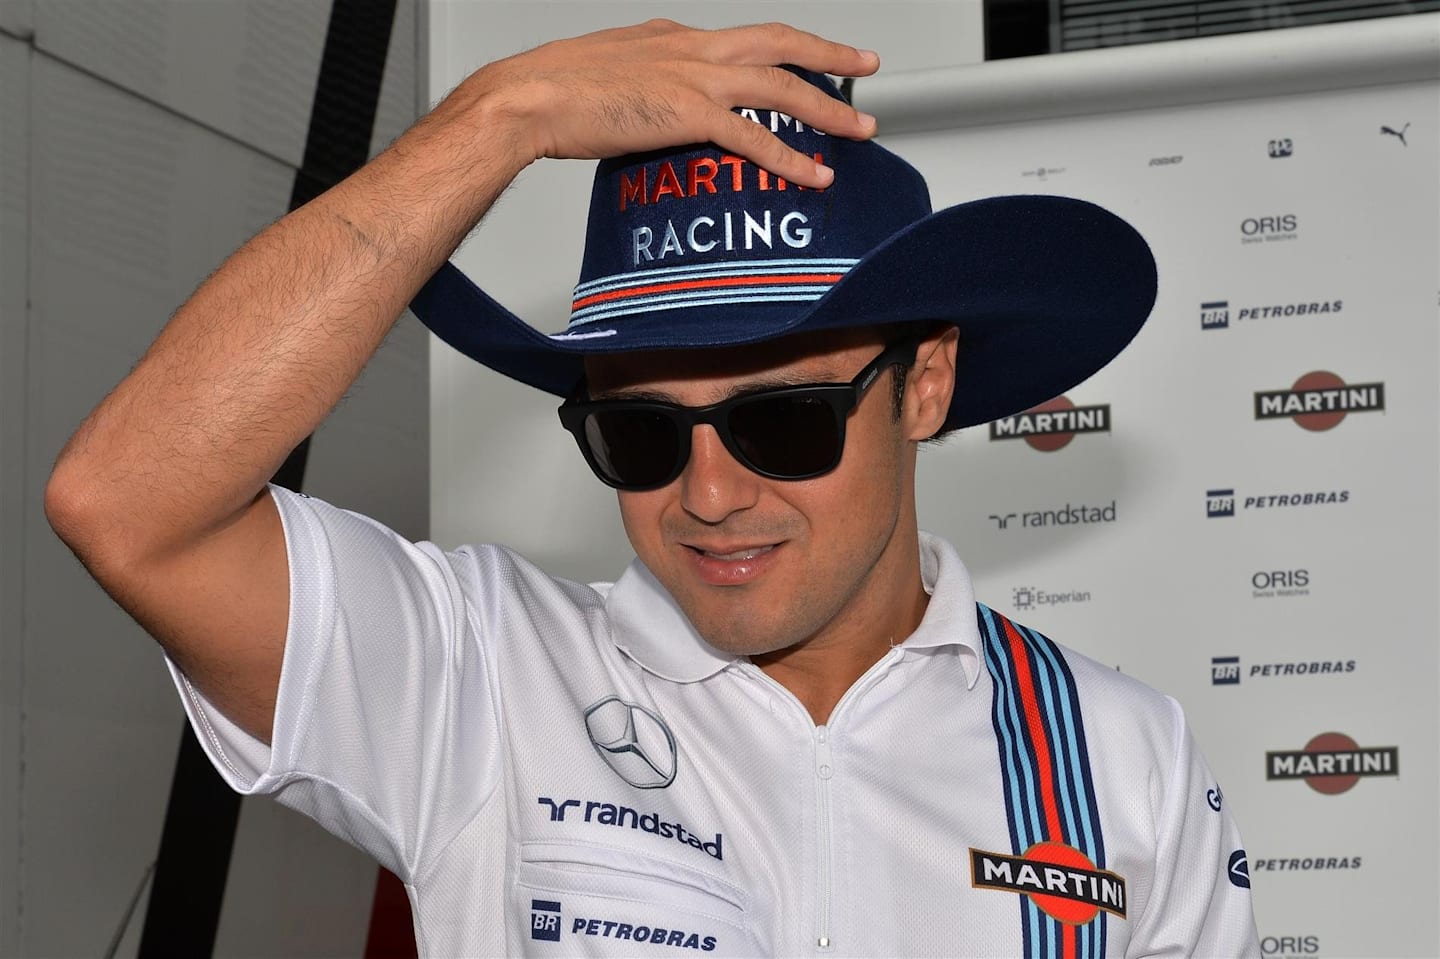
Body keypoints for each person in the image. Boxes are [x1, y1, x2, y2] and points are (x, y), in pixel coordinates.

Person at [46, 20, 1259, 958]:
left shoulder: (1119, 756)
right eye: (639, 434)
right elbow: (128, 502)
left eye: (785, 420)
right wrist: (500, 115)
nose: (710, 493)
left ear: (926, 384)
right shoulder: (482, 679)